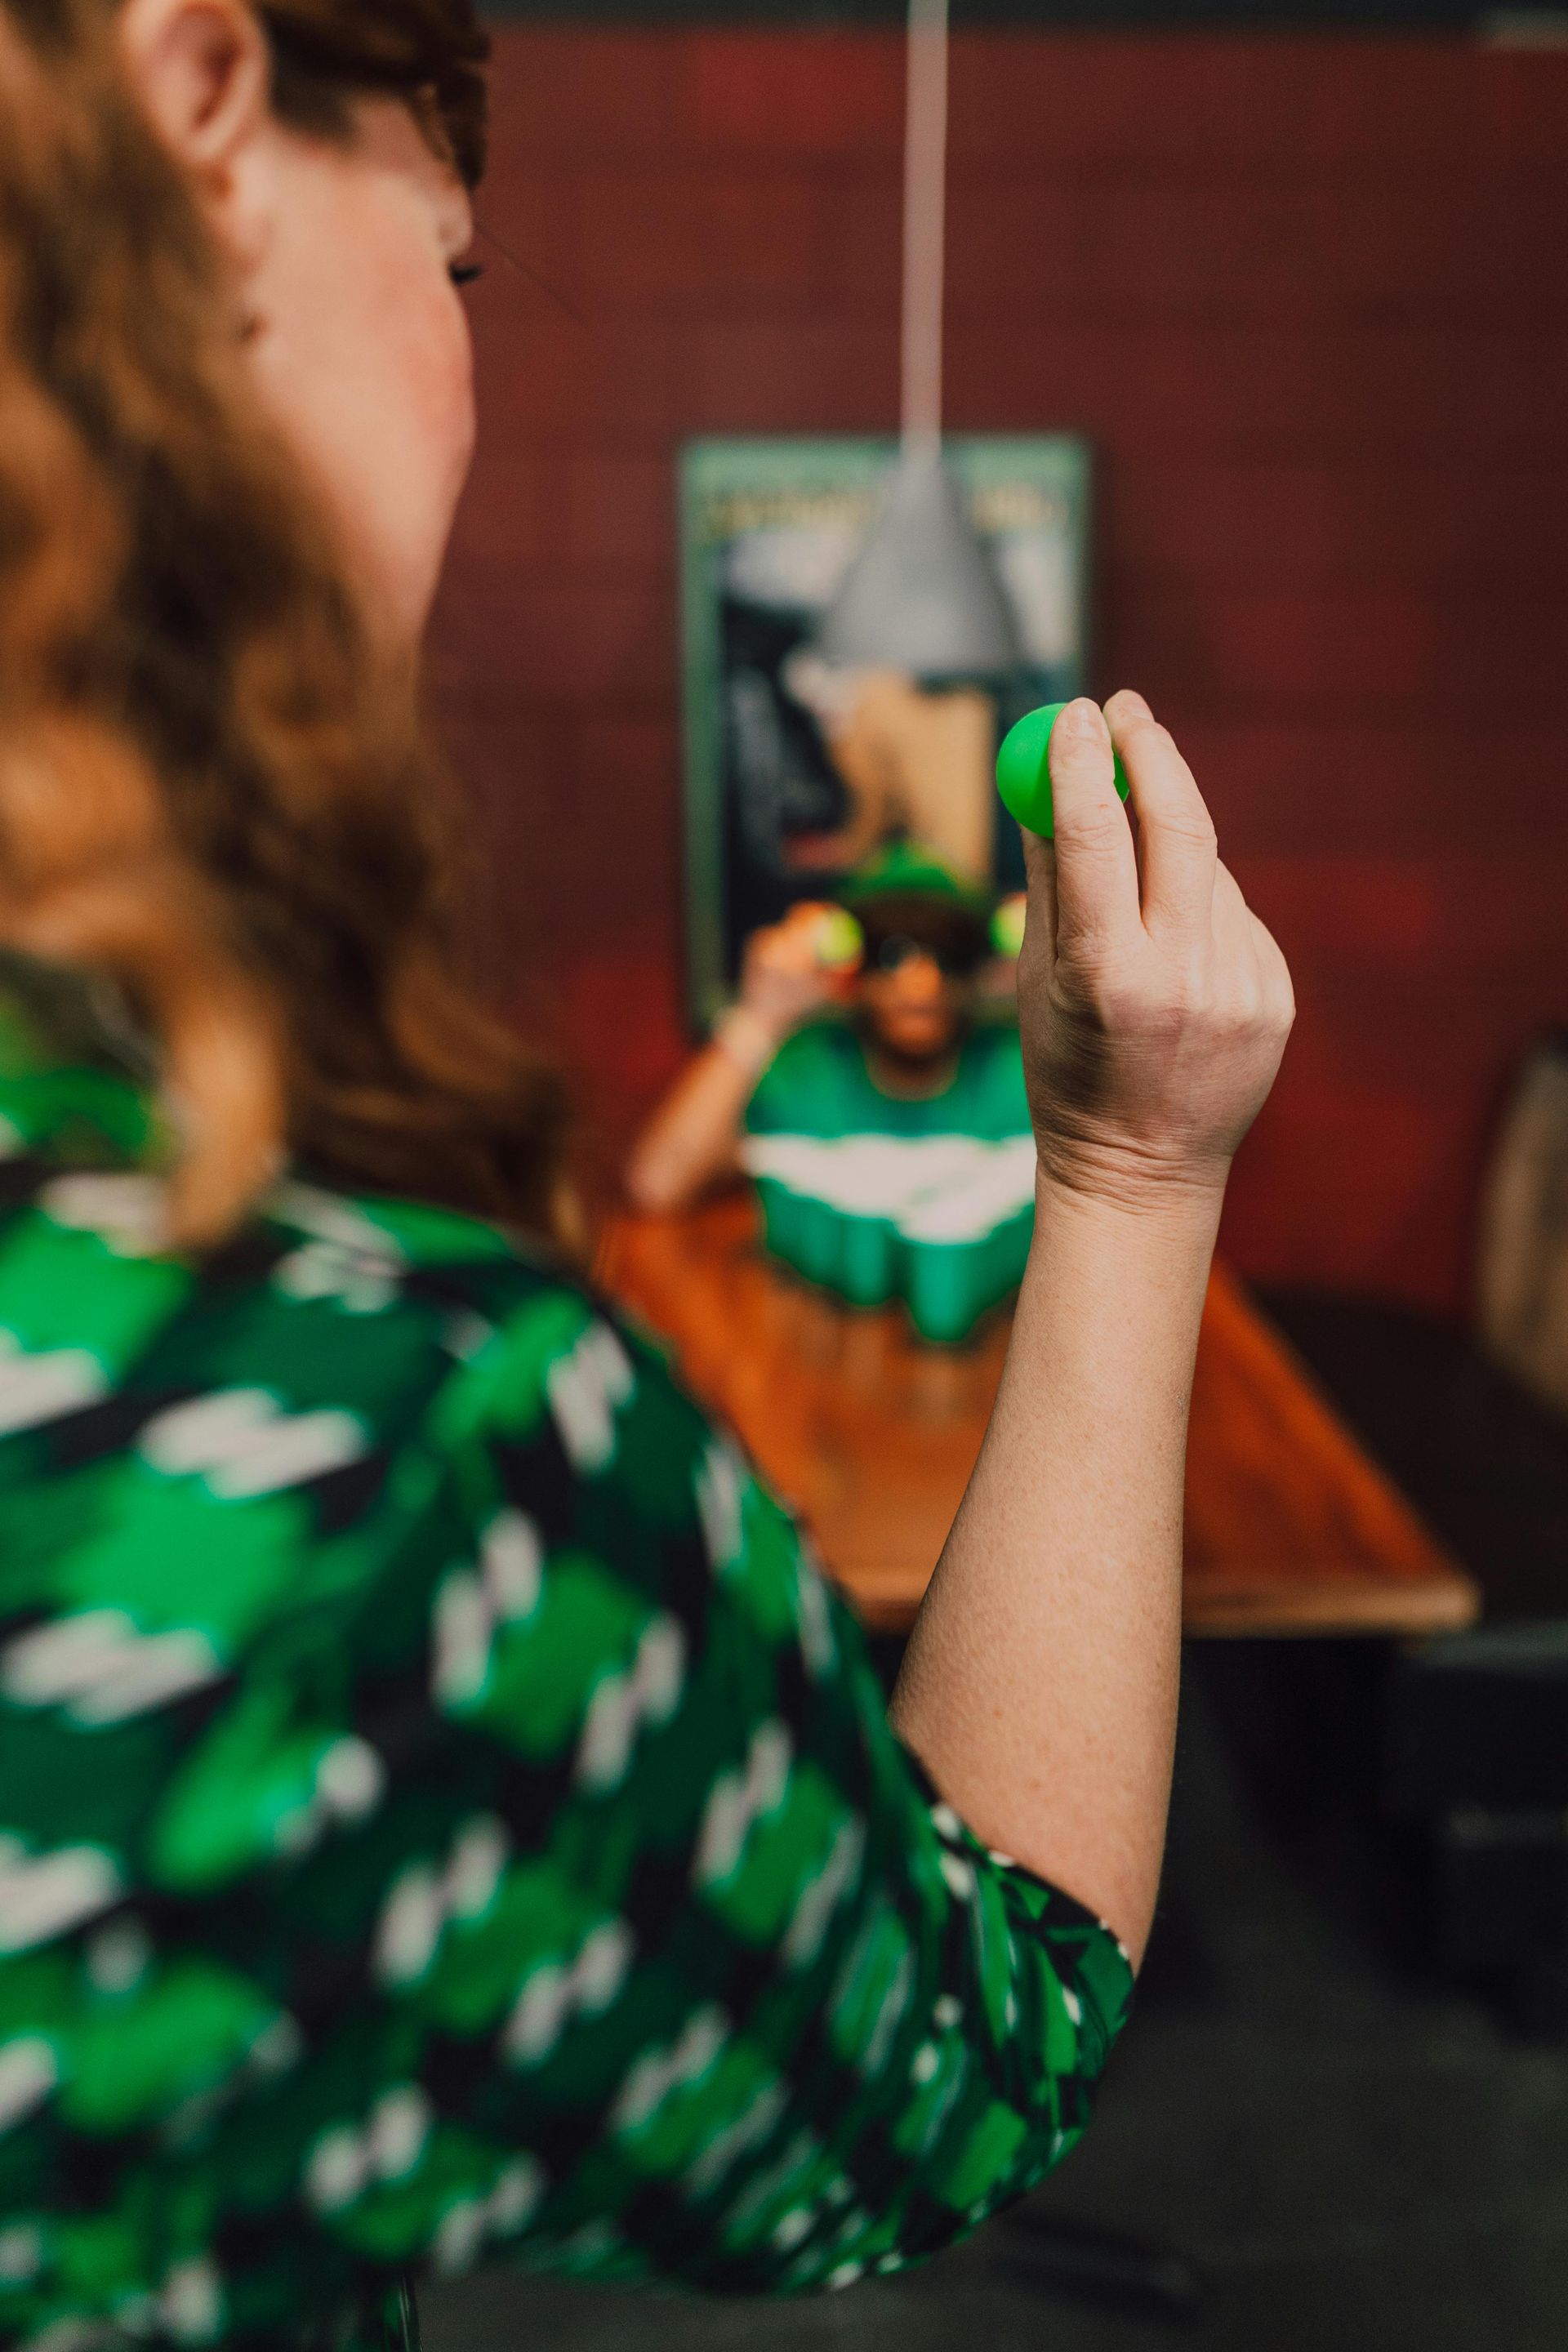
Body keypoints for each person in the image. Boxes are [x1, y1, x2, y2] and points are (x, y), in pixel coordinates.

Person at [0, 7, 1294, 2352]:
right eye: (453, 261)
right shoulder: (377, 1453)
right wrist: (1130, 1168)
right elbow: (965, 2049)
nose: (464, 375)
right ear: (201, 106)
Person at [626, 847, 1040, 1339]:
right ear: (853, 968)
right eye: (893, 955)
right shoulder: (806, 1072)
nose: (921, 982)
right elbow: (658, 1184)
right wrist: (760, 1016)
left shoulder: (1020, 1073)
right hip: (810, 1345)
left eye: (947, 956)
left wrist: (1048, 990)